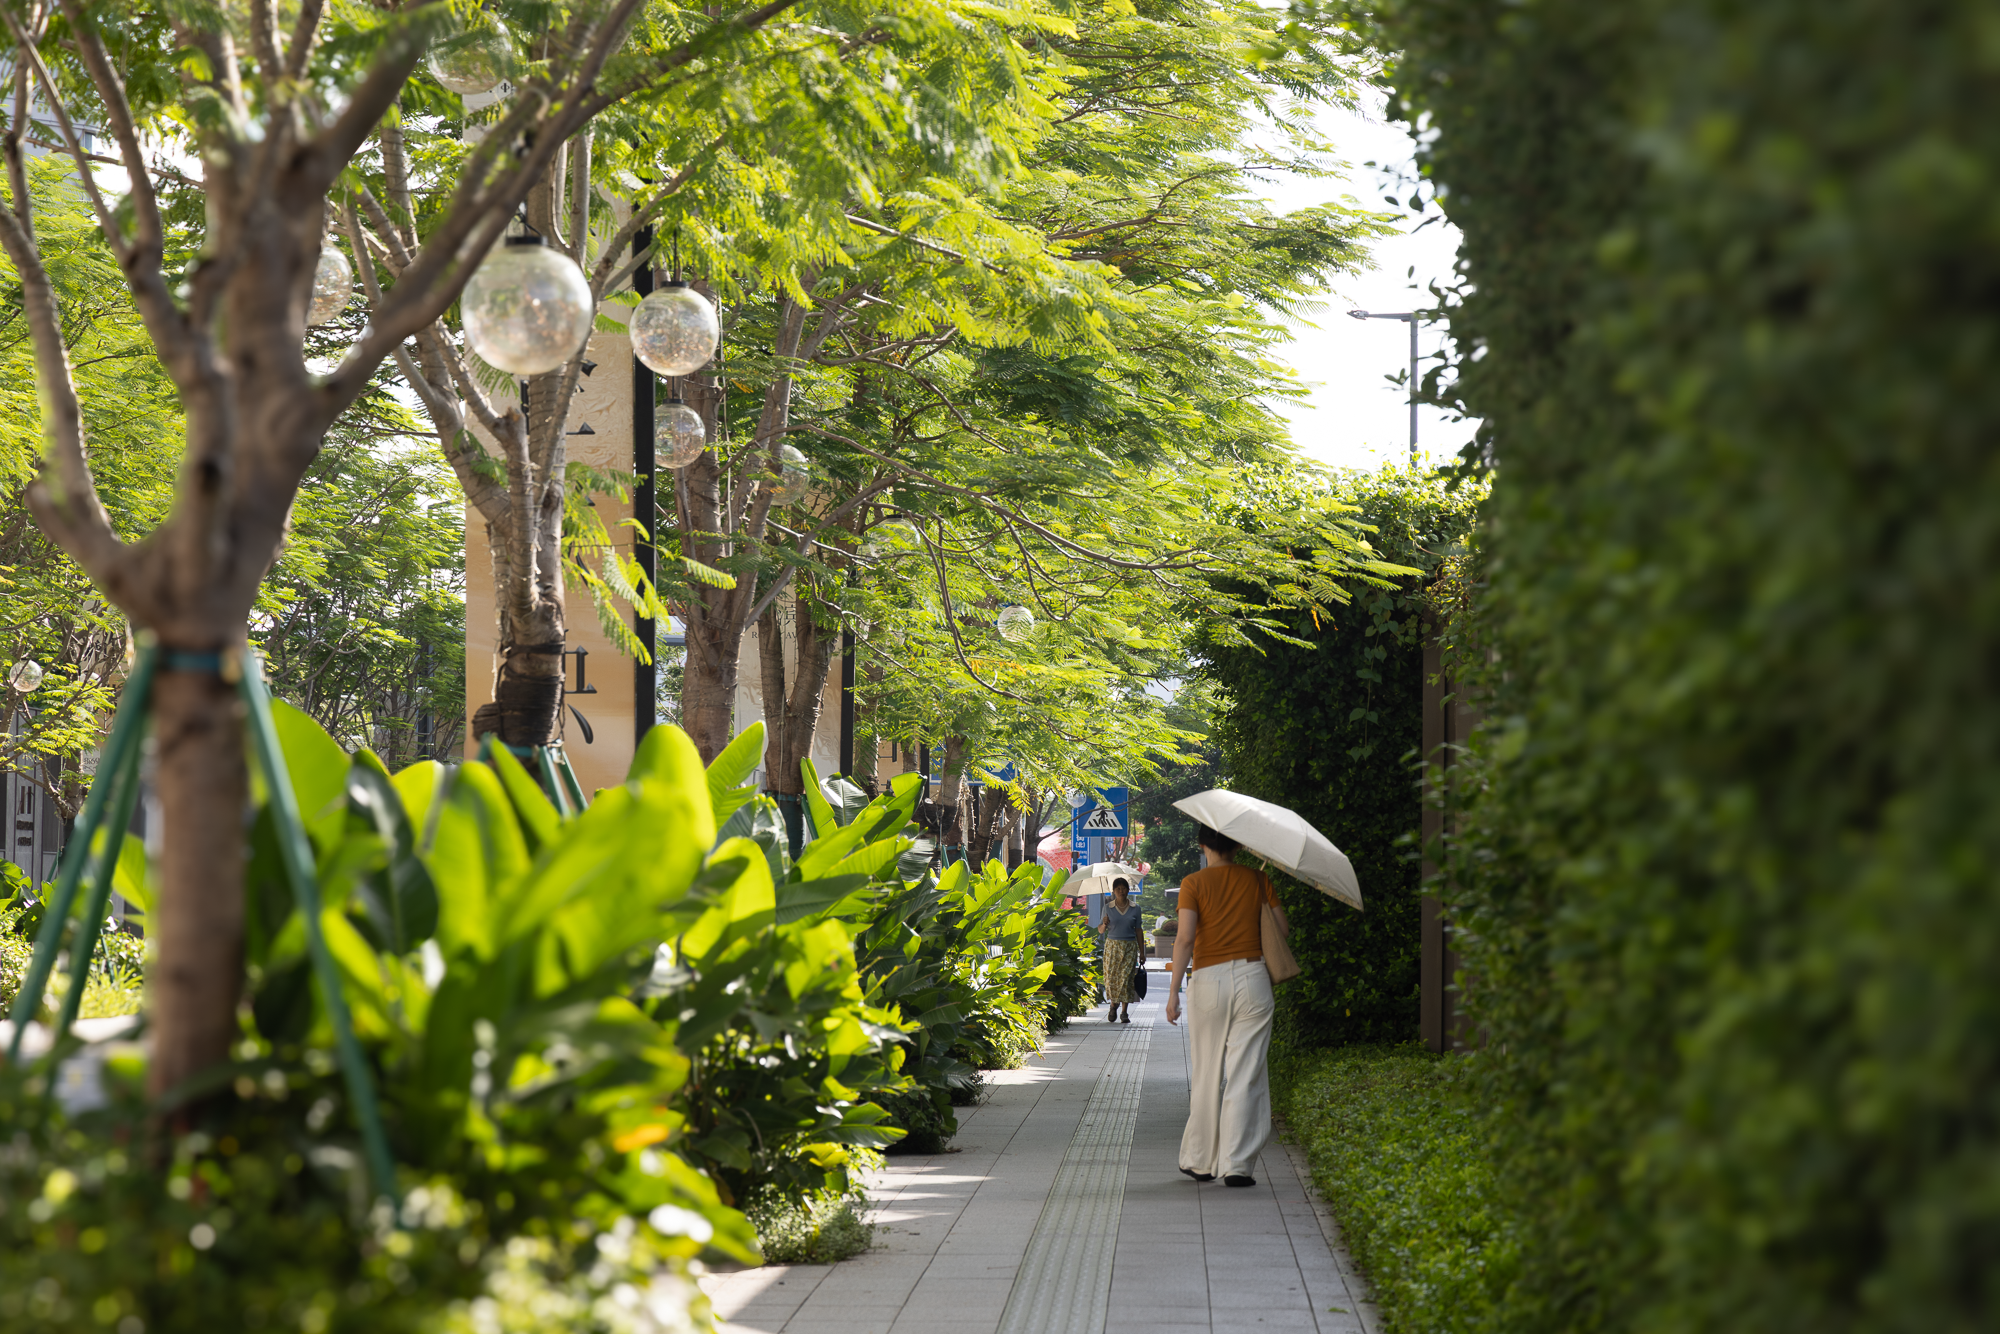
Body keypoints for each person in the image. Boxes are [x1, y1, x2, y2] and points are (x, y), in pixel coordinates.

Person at [1166, 823, 1287, 1187]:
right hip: (1253, 979)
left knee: (1206, 1072)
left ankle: (1200, 1161)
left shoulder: (1194, 883)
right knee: (1246, 1073)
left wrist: (1173, 993)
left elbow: (1185, 938)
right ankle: (1237, 1165)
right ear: (1237, 844)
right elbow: (1281, 931)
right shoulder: (1257, 879)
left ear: (1203, 845)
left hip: (1208, 982)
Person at [1096, 877, 1144, 1023]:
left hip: (1130, 946)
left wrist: (1142, 952)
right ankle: (1113, 1004)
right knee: (1112, 979)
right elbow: (1100, 930)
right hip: (1112, 947)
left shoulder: (1136, 908)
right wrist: (1104, 924)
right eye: (1118, 889)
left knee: (1126, 978)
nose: (1121, 891)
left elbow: (1139, 931)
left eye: (1124, 888)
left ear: (1128, 890)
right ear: (1114, 891)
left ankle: (1124, 1012)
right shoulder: (1107, 908)